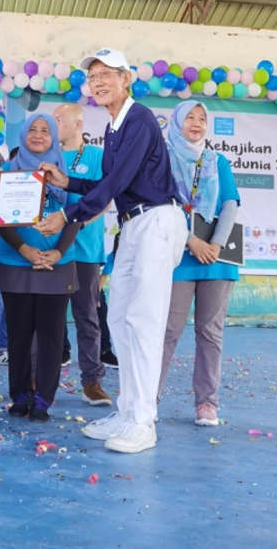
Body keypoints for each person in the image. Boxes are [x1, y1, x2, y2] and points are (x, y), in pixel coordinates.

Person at [38, 48, 186, 453]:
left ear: (126, 79)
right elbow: (108, 183)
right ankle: (127, 412)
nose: (98, 82)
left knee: (144, 321)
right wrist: (67, 182)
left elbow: (115, 183)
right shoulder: (114, 127)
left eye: (107, 74)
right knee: (119, 318)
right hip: (132, 224)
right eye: (93, 76)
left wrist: (67, 215)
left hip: (156, 221)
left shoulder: (139, 118)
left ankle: (143, 422)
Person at [0, 113, 80, 423]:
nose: (39, 135)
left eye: (45, 130)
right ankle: (20, 396)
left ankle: (43, 398)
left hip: (58, 265)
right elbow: (0, 217)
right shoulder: (8, 170)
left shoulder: (65, 174)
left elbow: (76, 216)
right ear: (23, 135)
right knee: (18, 334)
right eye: (33, 129)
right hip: (15, 262)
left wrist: (57, 251)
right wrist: (25, 250)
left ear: (54, 137)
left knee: (51, 337)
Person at [157, 100, 241, 427]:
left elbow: (230, 203)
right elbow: (163, 203)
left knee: (210, 332)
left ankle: (207, 403)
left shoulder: (218, 161)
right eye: (189, 117)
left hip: (217, 260)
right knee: (168, 330)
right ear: (177, 122)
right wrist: (191, 240)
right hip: (179, 255)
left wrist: (215, 244)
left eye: (202, 118)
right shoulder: (163, 159)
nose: (196, 123)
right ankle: (148, 399)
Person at [53, 102, 113, 406]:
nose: (53, 124)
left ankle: (92, 381)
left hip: (85, 250)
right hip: (50, 250)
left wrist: (82, 220)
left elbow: (106, 196)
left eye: (59, 119)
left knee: (87, 316)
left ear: (78, 124)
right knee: (49, 318)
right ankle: (42, 379)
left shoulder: (97, 156)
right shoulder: (46, 156)